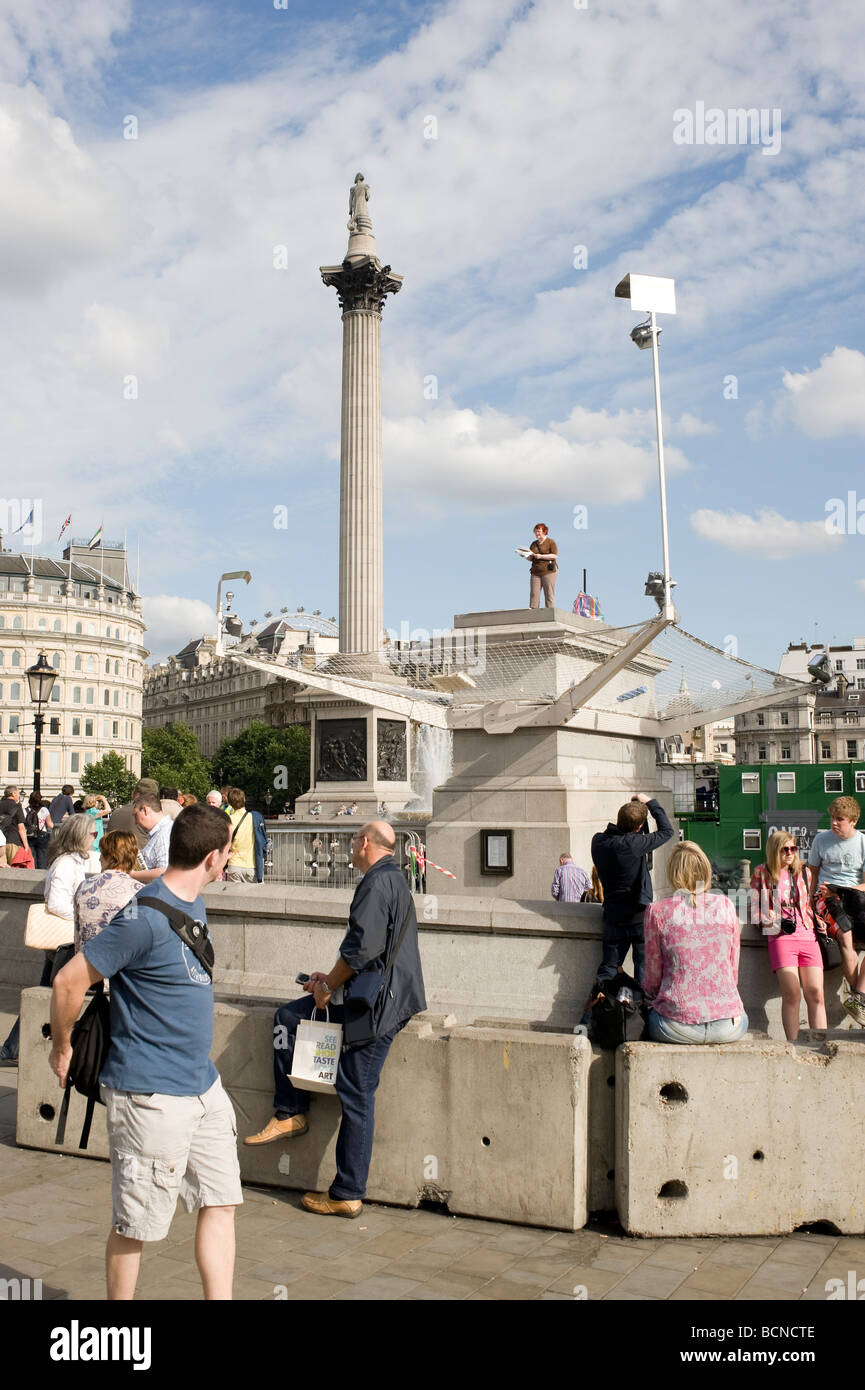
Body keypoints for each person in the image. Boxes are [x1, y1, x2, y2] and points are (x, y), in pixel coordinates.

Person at [49, 803, 242, 1300]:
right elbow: (69, 981)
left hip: (203, 1087)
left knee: (220, 1202)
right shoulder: (140, 918)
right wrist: (62, 1047)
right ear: (213, 858)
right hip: (151, 1095)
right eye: (224, 856)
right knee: (135, 1223)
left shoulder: (190, 895)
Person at [244, 821, 426, 1218]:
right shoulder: (393, 878)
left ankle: (347, 1191)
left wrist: (329, 988)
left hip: (377, 1006)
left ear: (364, 843)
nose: (349, 845)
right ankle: (290, 1112)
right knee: (289, 1017)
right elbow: (369, 950)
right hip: (380, 996)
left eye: (352, 839)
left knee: (356, 1093)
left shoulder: (375, 884)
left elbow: (362, 949)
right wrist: (330, 978)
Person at [0, 814, 97, 1064]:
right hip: (63, 940)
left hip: (64, 941)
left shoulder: (72, 861)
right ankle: (14, 1048)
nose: (94, 838)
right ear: (79, 836)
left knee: (46, 993)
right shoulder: (66, 864)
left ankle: (13, 1048)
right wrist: (80, 917)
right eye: (92, 834)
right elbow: (55, 903)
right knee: (50, 994)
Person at [643, 841, 748, 1044]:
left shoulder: (657, 911)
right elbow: (732, 971)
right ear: (705, 869)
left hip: (676, 1025)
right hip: (728, 1024)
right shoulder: (725, 905)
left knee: (651, 1017)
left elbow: (653, 979)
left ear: (672, 872)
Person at [586, 793, 674, 997]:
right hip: (639, 917)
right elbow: (667, 830)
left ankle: (590, 1017)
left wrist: (637, 816)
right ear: (638, 828)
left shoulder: (598, 841)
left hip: (613, 916)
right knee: (643, 971)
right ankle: (642, 1016)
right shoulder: (634, 845)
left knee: (607, 970)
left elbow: (625, 835)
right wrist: (651, 802)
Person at [751, 831, 826, 1043]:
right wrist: (769, 920)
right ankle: (794, 1046)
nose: (790, 853)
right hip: (781, 938)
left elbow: (809, 904)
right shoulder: (761, 873)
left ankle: (820, 1042)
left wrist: (817, 918)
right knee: (792, 994)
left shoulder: (804, 873)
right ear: (775, 851)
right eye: (785, 849)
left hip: (808, 936)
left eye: (793, 849)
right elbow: (754, 909)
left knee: (816, 994)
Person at [808, 796, 865, 1026]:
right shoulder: (821, 840)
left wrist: (844, 889)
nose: (833, 823)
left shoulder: (863, 842)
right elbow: (811, 875)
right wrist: (809, 904)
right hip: (826, 897)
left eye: (839, 819)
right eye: (832, 817)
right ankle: (858, 1000)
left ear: (853, 821)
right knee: (845, 936)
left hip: (855, 895)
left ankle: (859, 997)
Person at [73, 830, 142, 953]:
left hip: (85, 962)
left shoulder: (84, 886)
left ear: (111, 857)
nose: (99, 858)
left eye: (102, 853)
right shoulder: (139, 891)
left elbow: (78, 938)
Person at [129, 792, 172, 884]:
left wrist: (132, 874)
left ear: (145, 810)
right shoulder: (163, 832)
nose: (136, 822)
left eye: (136, 815)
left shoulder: (163, 835)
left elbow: (165, 872)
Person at [107, 777, 158, 851]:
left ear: (133, 794)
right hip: (137, 860)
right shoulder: (150, 815)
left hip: (112, 858)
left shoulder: (116, 813)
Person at [224, 788, 255, 883]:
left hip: (234, 863)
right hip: (251, 864)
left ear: (229, 802)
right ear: (244, 799)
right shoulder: (253, 818)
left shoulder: (229, 819)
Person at [526, 523, 558, 609]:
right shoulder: (533, 544)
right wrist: (526, 556)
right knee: (534, 593)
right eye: (535, 532)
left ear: (544, 531)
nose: (537, 533)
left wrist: (541, 556)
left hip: (548, 571)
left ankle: (550, 610)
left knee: (549, 592)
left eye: (539, 531)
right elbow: (530, 558)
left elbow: (554, 556)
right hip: (535, 571)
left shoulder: (550, 542)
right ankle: (533, 610)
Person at [25, 793, 53, 870]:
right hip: (42, 835)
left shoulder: (26, 810)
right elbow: (50, 824)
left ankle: (32, 873)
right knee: (42, 856)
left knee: (32, 856)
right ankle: (41, 873)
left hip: (30, 836)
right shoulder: (44, 810)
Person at [0, 786, 29, 856]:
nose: (19, 796)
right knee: (13, 865)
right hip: (12, 841)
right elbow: (21, 828)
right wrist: (26, 845)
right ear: (13, 794)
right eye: (18, 793)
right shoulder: (17, 806)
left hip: (0, 842)